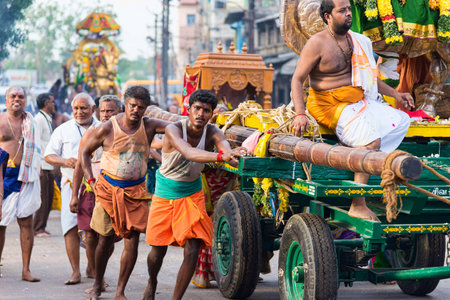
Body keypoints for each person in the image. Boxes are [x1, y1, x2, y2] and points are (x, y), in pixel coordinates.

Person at [290, 0, 414, 221]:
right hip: (329, 105)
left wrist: (395, 94)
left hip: (359, 100)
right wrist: (300, 114)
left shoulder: (358, 41)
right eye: (342, 11)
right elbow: (297, 80)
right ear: (327, 16)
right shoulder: (316, 43)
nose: (349, 14)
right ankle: (358, 204)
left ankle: (358, 150)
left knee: (401, 121)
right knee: (373, 141)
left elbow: (369, 79)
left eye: (349, 10)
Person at [142, 89, 246, 300]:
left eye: (206, 111)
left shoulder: (214, 131)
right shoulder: (174, 129)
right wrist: (221, 156)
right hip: (165, 192)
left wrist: (234, 153)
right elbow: (189, 152)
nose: (200, 114)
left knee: (192, 248)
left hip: (192, 193)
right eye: (197, 108)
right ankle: (152, 282)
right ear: (188, 110)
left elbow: (224, 145)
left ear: (211, 114)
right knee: (157, 252)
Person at [78, 86, 170, 300]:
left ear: (146, 109)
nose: (136, 110)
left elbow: (178, 126)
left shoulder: (149, 126)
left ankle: (120, 291)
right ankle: (98, 284)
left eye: (141, 107)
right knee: (105, 240)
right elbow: (84, 152)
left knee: (132, 239)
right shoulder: (107, 128)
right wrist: (90, 180)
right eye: (132, 105)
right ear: (125, 104)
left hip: (136, 192)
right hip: (108, 191)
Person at [69, 95, 122, 299]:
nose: (106, 115)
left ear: (120, 111)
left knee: (108, 238)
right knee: (90, 235)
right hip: (91, 190)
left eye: (111, 111)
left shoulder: (128, 131)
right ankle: (94, 273)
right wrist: (74, 195)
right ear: (98, 112)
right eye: (103, 111)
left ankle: (98, 272)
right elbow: (80, 164)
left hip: (117, 192)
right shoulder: (93, 132)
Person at [45, 93, 98, 285]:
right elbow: (48, 155)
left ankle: (93, 269)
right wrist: (65, 161)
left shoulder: (103, 128)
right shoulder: (63, 129)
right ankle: (76, 271)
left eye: (83, 108)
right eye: (76, 108)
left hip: (96, 186)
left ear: (93, 109)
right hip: (69, 185)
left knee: (95, 230)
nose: (79, 112)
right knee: (70, 227)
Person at [0, 86, 41, 282]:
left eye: (21, 96)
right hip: (3, 176)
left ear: (25, 99)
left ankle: (26, 269)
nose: (17, 99)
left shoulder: (30, 122)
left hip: (25, 175)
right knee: (0, 223)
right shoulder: (0, 121)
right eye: (13, 96)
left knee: (26, 221)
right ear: (7, 99)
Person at [33, 93, 56, 237]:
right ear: (46, 103)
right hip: (43, 166)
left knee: (49, 198)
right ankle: (38, 227)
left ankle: (42, 225)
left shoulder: (47, 118)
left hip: (49, 165)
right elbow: (36, 144)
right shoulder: (38, 120)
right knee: (43, 198)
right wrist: (39, 166)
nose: (54, 104)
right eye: (52, 102)